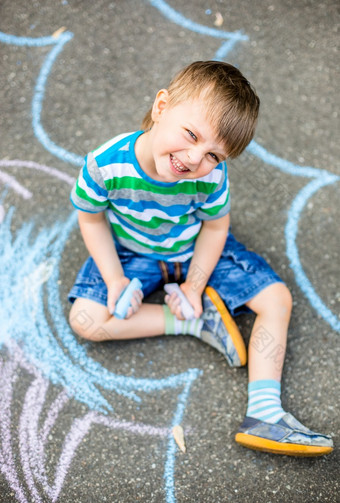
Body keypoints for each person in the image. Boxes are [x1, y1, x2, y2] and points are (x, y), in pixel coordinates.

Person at [68, 61, 333, 456]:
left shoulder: (210, 177)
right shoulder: (104, 164)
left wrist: (194, 284)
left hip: (193, 247)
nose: (194, 159)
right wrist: (115, 280)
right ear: (161, 106)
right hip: (131, 251)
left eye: (214, 155)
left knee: (277, 300)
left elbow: (214, 228)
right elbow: (90, 220)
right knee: (85, 320)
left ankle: (265, 413)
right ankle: (192, 323)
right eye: (191, 134)